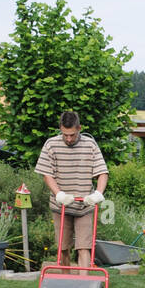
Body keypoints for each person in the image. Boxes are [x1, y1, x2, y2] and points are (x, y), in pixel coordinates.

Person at [34, 111, 109, 268]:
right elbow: (47, 174)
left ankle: (83, 286)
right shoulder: (51, 144)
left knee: (84, 247)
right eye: (65, 134)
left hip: (85, 205)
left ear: (79, 128)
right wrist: (59, 194)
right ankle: (67, 282)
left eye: (72, 135)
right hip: (60, 205)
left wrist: (98, 194)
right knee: (63, 247)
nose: (68, 139)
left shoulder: (90, 144)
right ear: (61, 128)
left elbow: (102, 172)